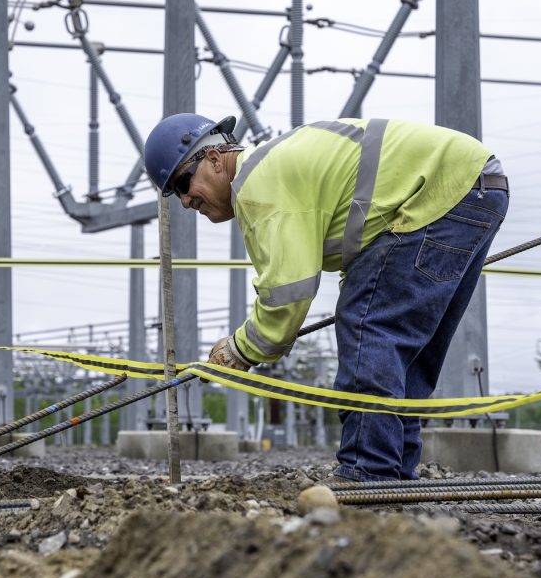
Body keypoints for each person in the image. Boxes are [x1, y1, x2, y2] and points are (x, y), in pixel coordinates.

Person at [143, 113, 509, 481]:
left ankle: (368, 472)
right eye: (177, 195)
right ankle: (394, 472)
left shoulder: (258, 184)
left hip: (440, 191)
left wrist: (238, 351)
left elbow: (288, 294)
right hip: (475, 186)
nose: (187, 201)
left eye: (184, 183)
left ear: (214, 158)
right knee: (407, 352)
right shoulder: (274, 166)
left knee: (368, 324)